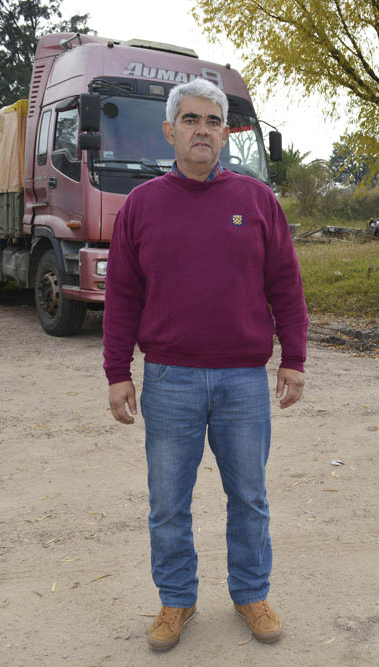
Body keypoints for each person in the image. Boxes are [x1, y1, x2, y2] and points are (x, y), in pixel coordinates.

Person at [102, 78, 308, 652]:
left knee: (250, 498)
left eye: (213, 121)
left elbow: (286, 286)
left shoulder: (257, 201)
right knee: (168, 502)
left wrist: (293, 358)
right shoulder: (142, 206)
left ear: (225, 133)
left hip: (244, 380)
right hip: (170, 379)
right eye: (190, 120)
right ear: (170, 132)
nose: (202, 130)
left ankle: (250, 594)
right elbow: (121, 295)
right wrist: (118, 371)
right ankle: (176, 600)